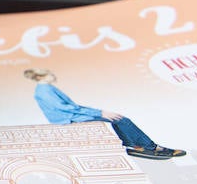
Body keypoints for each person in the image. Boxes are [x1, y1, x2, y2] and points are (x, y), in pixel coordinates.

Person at [23, 69, 185, 161]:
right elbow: (66, 108)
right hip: (68, 118)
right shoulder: (44, 90)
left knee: (117, 119)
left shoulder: (46, 89)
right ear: (42, 76)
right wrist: (99, 112)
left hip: (71, 115)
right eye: (50, 74)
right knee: (120, 119)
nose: (54, 75)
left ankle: (136, 145)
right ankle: (148, 146)